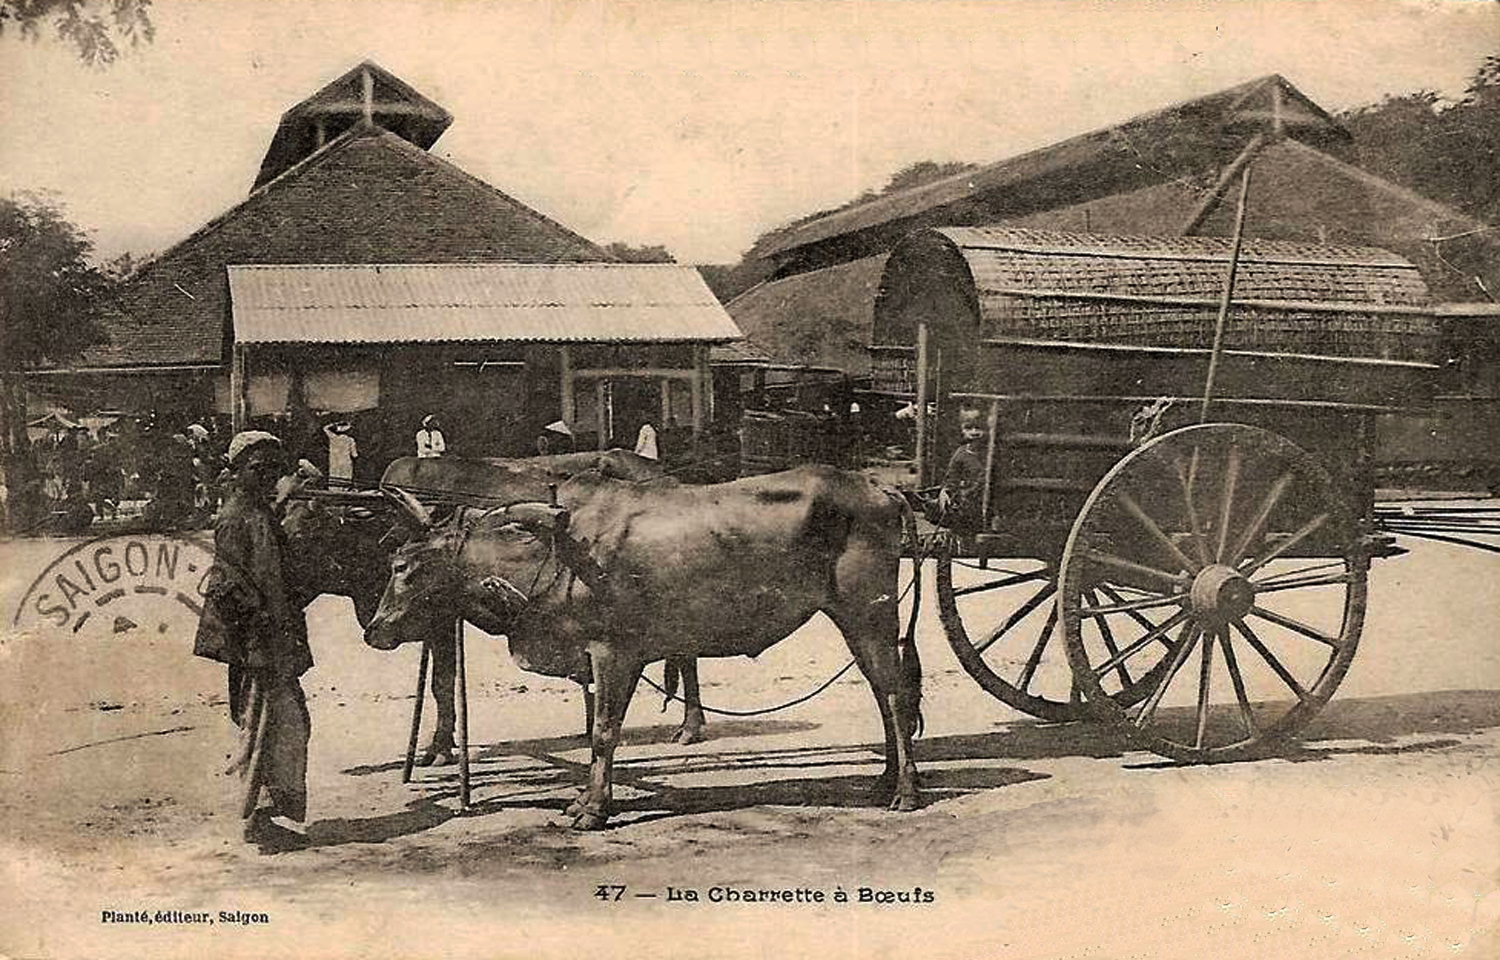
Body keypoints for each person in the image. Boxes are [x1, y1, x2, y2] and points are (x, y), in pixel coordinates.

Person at [193, 431, 314, 852]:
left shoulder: (252, 510)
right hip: (261, 643)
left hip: (265, 640)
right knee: (268, 727)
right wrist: (270, 638)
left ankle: (264, 815)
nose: (267, 475)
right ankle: (257, 822)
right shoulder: (241, 516)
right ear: (239, 469)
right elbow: (243, 585)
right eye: (259, 468)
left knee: (279, 725)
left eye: (272, 469)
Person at [937, 407, 988, 529]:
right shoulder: (961, 453)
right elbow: (952, 477)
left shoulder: (993, 452)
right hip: (970, 498)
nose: (974, 432)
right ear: (962, 430)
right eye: (969, 428)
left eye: (979, 428)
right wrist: (946, 491)